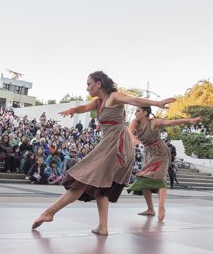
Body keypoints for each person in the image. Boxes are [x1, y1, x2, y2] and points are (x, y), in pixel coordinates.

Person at [32, 71, 174, 236]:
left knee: (83, 178)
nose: (87, 88)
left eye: (89, 84)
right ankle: (103, 227)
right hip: (111, 143)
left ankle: (50, 212)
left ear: (98, 83)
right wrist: (72, 109)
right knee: (101, 187)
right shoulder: (99, 102)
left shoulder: (114, 96)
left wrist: (157, 103)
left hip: (116, 144)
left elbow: (133, 100)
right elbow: (84, 107)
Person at [127, 108, 200, 221]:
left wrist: (189, 120)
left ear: (145, 112)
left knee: (160, 180)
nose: (135, 113)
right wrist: (134, 138)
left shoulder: (153, 123)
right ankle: (150, 209)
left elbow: (170, 122)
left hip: (161, 153)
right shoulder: (135, 121)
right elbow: (130, 130)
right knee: (142, 178)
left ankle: (161, 207)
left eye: (138, 111)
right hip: (149, 154)